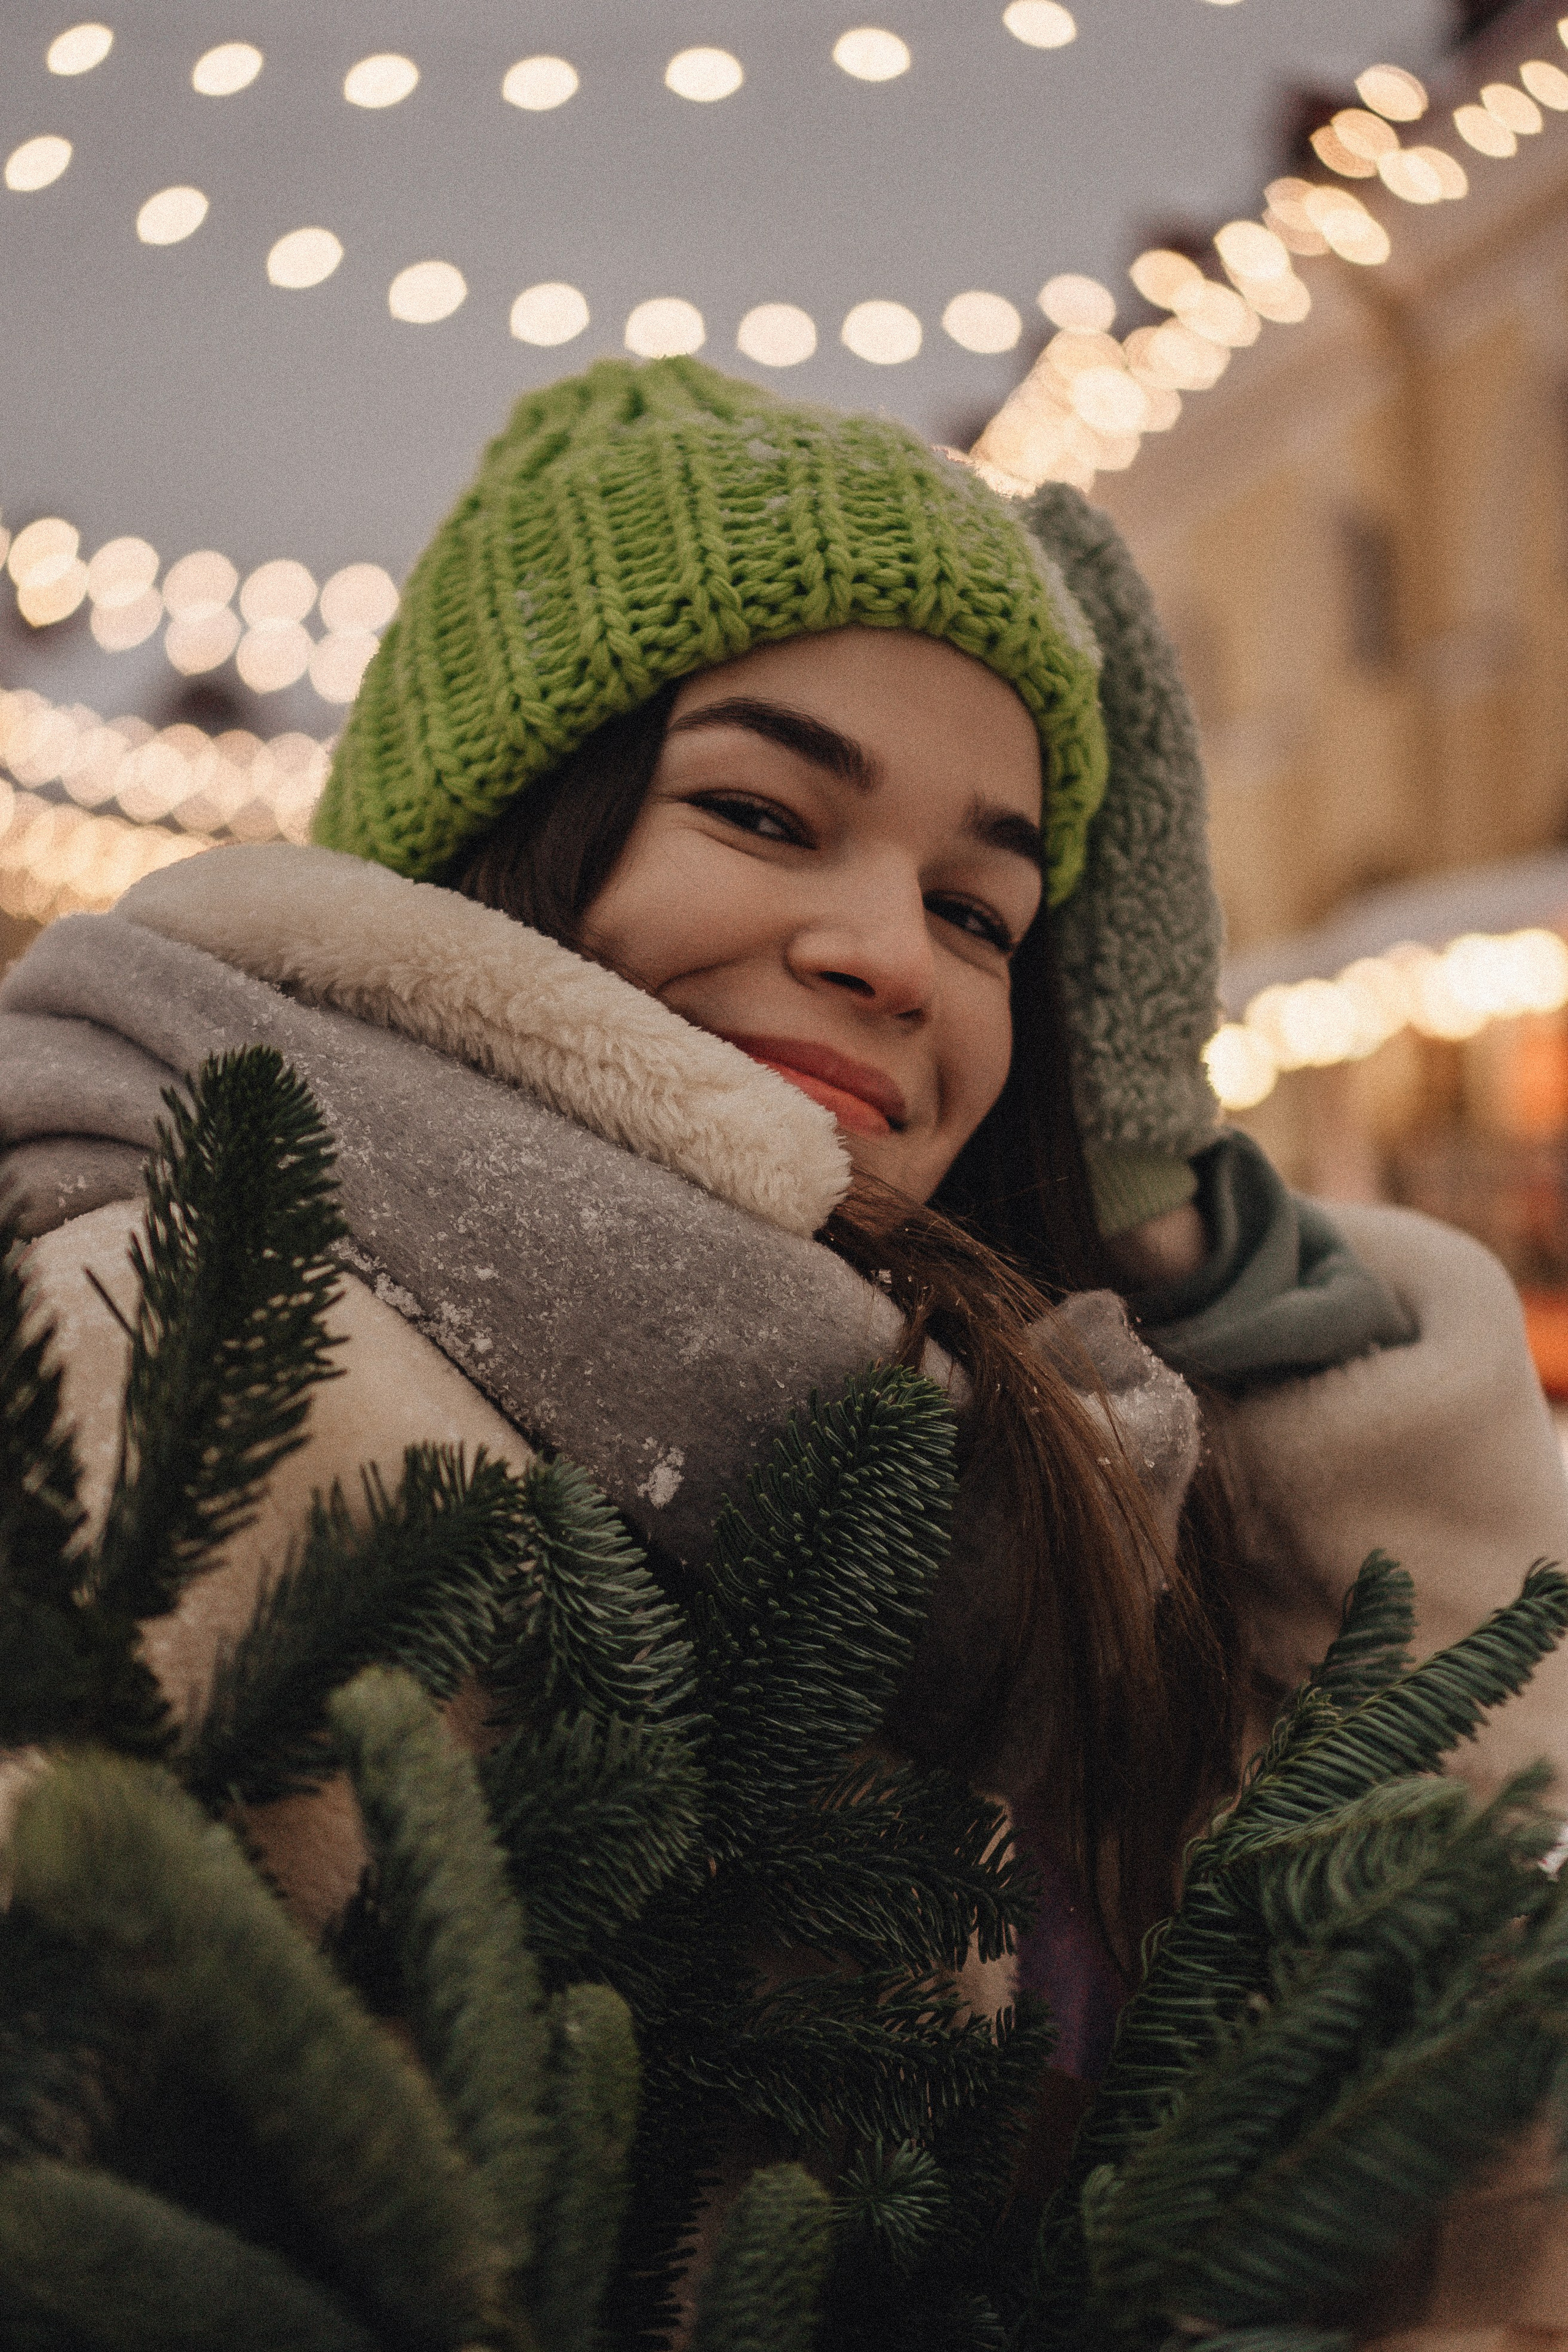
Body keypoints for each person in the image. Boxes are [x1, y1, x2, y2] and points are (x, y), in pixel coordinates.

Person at [5, 356, 1568, 2113]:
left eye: (980, 908)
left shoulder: (1003, 1441)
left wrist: (1167, 1236)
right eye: (761, 814)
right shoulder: (178, 1342)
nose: (894, 953)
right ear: (495, 840)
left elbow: (1432, 2043)